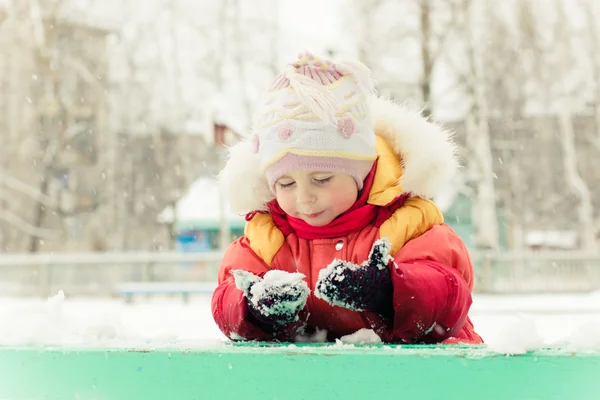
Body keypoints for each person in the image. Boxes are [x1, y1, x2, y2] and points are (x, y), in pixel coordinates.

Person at [211, 52, 483, 344]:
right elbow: (227, 295)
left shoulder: (408, 220)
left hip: (426, 379)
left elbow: (449, 296)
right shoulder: (268, 236)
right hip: (325, 383)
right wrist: (254, 308)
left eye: (322, 179)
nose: (304, 197)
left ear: (361, 171)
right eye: (286, 183)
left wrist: (390, 292)